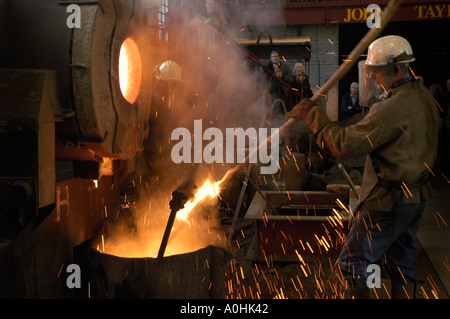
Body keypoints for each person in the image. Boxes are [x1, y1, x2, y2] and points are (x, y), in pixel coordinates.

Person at [287, 35, 441, 299]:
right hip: (414, 198)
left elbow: (343, 146)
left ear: (395, 69)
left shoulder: (393, 107)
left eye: (379, 73)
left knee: (354, 263)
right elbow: (378, 126)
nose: (375, 80)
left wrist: (312, 114)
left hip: (387, 202)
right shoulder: (422, 96)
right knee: (401, 265)